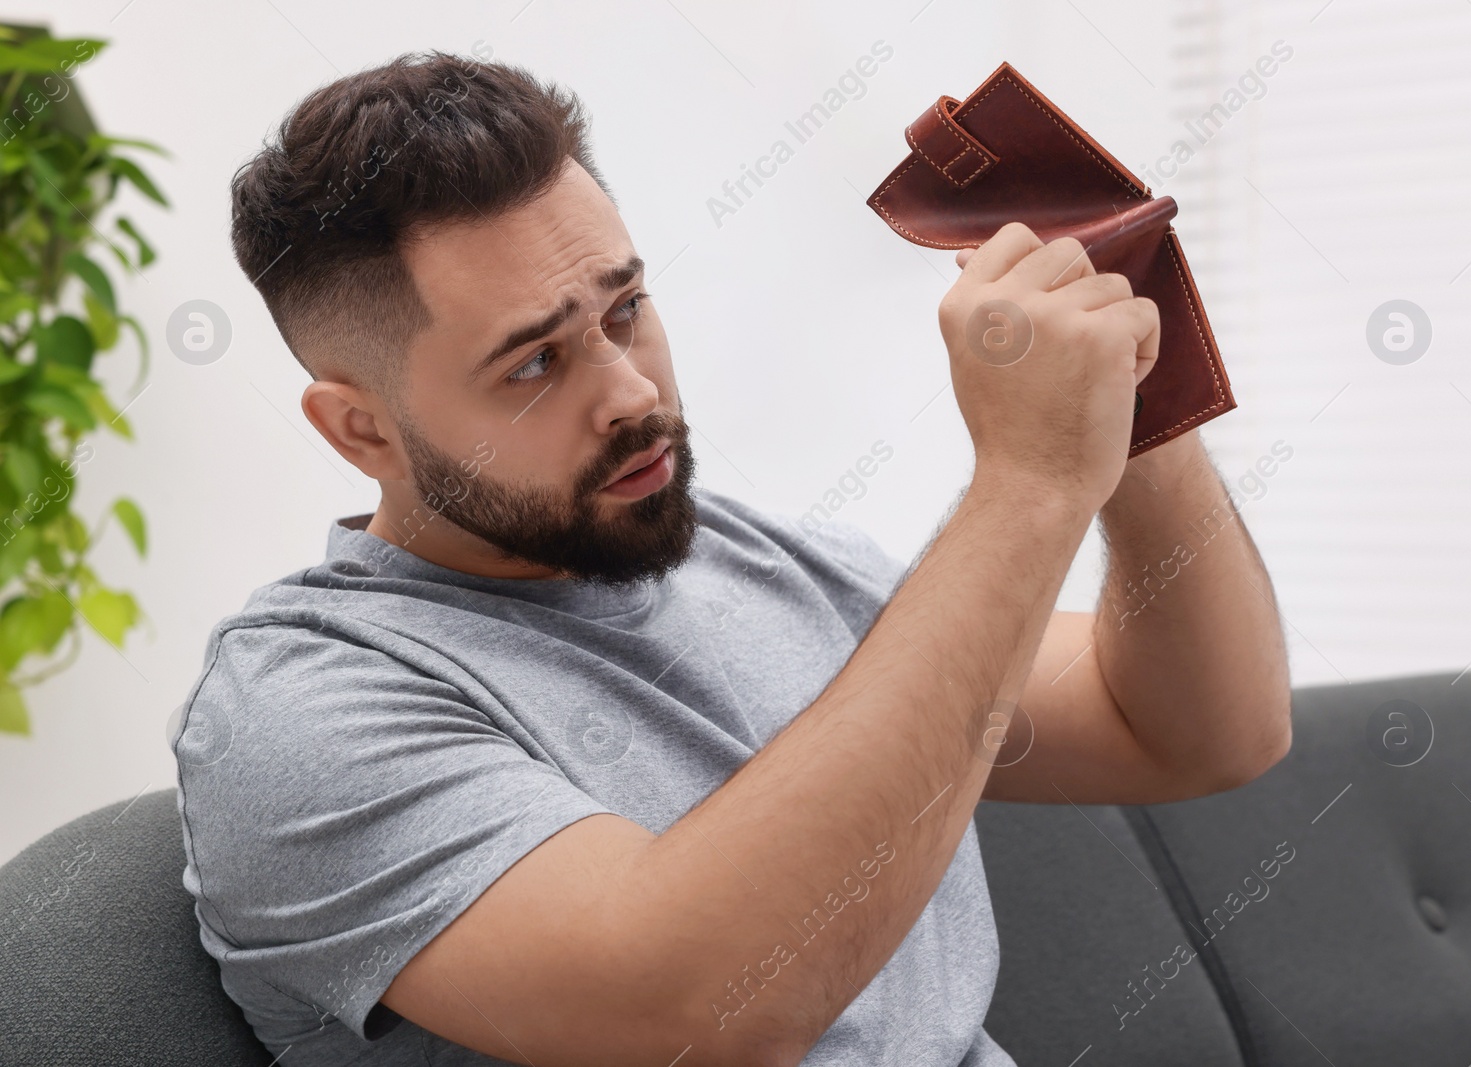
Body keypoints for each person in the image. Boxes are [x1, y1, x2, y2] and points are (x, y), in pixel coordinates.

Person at [170, 49, 1292, 1067]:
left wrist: (1132, 406)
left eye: (626, 310)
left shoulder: (760, 562)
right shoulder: (299, 709)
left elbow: (1200, 731)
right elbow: (704, 1015)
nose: (630, 390)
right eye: (531, 364)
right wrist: (1031, 480)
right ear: (358, 429)